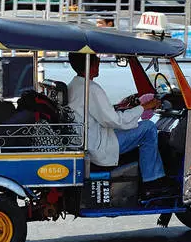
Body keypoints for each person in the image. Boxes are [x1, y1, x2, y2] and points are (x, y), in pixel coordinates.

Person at [66, 52, 172, 198]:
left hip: (93, 137)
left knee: (139, 126)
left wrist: (124, 108)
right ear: (89, 63)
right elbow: (115, 120)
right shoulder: (91, 88)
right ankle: (152, 181)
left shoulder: (74, 84)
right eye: (96, 59)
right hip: (99, 146)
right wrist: (144, 107)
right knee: (148, 128)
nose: (99, 62)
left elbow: (104, 115)